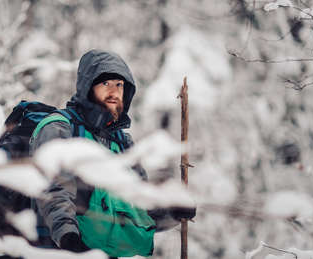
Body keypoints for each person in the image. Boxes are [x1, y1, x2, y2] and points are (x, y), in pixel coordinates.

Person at [29, 49, 196, 257]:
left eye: (119, 85)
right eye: (105, 83)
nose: (114, 91)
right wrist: (69, 239)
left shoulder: (122, 142)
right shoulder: (59, 128)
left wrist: (172, 212)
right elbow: (52, 191)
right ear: (87, 86)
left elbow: (138, 209)